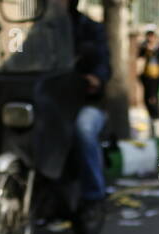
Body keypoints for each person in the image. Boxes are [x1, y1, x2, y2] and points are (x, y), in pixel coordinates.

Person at [68, 0, 110, 211]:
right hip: (53, 102)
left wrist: (96, 78)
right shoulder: (41, 32)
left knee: (83, 128)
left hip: (88, 103)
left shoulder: (91, 28)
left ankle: (94, 195)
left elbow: (104, 63)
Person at [136, 25, 159, 134]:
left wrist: (154, 51)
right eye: (149, 35)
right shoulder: (143, 46)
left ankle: (156, 117)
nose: (150, 37)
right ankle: (151, 116)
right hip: (146, 76)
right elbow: (139, 57)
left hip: (157, 76)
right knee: (147, 97)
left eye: (152, 35)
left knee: (153, 96)